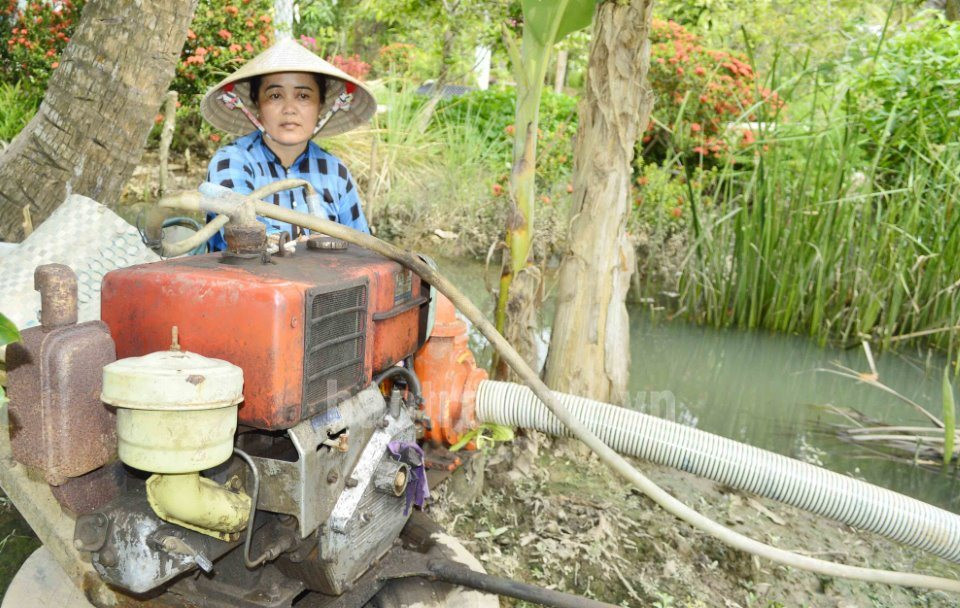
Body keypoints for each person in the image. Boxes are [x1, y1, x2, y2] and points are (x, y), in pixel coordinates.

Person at [199, 38, 377, 250]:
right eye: (275, 96)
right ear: (256, 105)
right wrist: (284, 243)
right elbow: (246, 232)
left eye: (303, 96)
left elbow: (364, 248)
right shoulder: (232, 161)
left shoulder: (335, 172)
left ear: (320, 106)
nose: (289, 109)